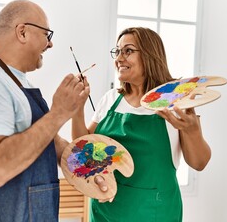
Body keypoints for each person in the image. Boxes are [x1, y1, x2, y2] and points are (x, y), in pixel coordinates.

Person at [0, 0, 92, 222]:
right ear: (23, 32)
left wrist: (88, 170)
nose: (50, 44)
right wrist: (58, 113)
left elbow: (49, 142)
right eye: (47, 34)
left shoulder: (19, 83)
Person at [72, 27, 211, 222]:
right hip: (105, 213)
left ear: (150, 55)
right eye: (117, 51)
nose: (119, 58)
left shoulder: (174, 100)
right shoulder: (111, 99)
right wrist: (77, 108)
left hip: (154, 212)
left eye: (128, 51)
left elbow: (199, 163)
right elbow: (83, 151)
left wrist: (192, 130)